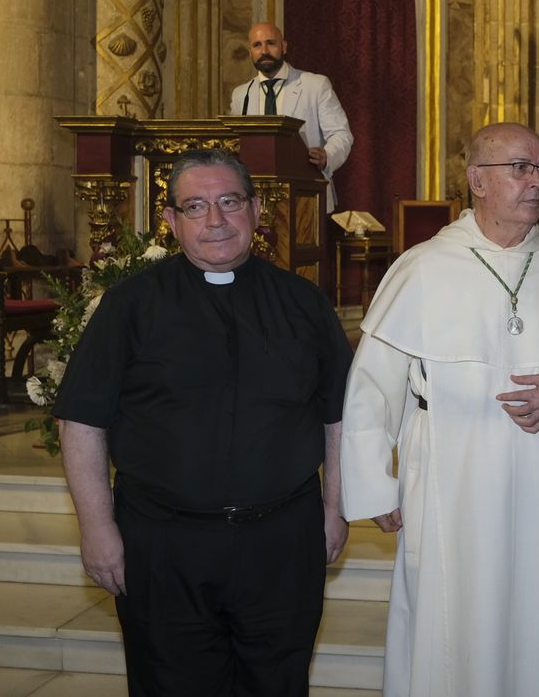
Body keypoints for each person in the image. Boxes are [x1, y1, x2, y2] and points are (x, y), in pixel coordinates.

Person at [338, 122, 539, 697]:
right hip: (445, 470)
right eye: (519, 168)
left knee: (535, 612)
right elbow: (373, 384)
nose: (536, 183)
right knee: (449, 618)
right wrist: (375, 483)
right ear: (477, 181)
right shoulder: (423, 267)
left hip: (536, 480)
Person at [54, 149, 353, 696]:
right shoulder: (129, 305)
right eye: (195, 206)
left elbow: (338, 417)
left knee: (278, 684)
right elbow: (82, 423)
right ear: (170, 222)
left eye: (229, 202)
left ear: (258, 210)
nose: (215, 220)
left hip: (282, 542)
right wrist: (96, 529)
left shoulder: (304, 303)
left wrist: (335, 509)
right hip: (164, 544)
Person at [230, 22, 354, 212]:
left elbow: (341, 134)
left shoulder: (315, 85)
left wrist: (327, 156)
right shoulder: (241, 94)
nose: (264, 50)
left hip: (306, 198)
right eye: (257, 45)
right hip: (254, 201)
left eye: (271, 43)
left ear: (284, 47)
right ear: (250, 52)